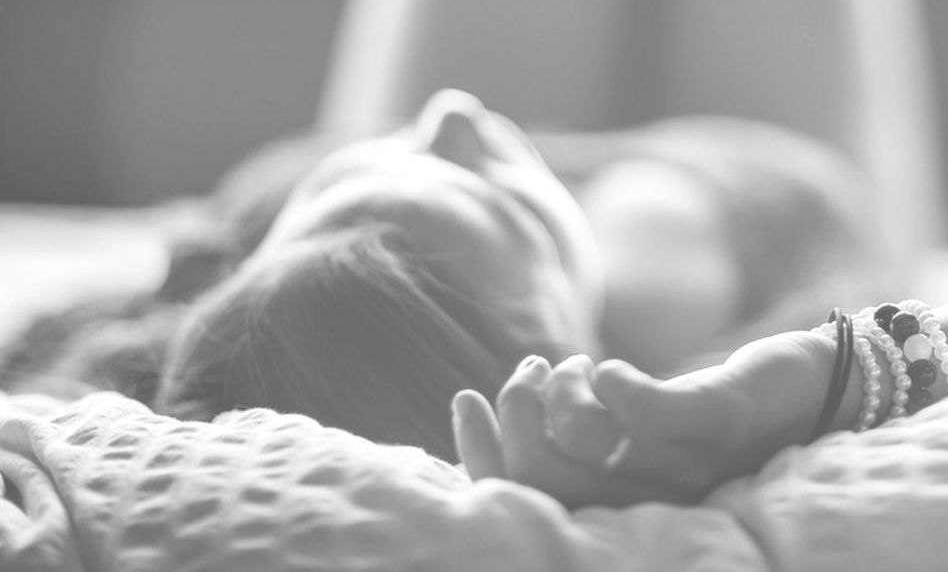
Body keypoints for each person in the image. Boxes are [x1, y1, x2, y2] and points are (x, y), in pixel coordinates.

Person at [158, 89, 948, 510]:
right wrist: (815, 373)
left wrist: (310, 196)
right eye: (482, 197)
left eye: (379, 162)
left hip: (596, 153)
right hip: (799, 162)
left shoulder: (258, 266)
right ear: (551, 348)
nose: (448, 111)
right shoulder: (731, 364)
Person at [155, 89, 886, 464]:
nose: (453, 111)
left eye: (335, 184)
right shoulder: (665, 294)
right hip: (759, 165)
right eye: (516, 217)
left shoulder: (283, 275)